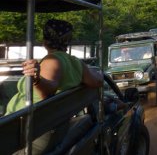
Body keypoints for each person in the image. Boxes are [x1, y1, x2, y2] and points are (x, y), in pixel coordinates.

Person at [6, 19, 103, 154]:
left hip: (26, 134)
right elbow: (97, 81)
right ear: (68, 41)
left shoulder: (52, 61)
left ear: (45, 41)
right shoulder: (76, 63)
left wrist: (36, 79)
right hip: (47, 128)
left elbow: (48, 90)